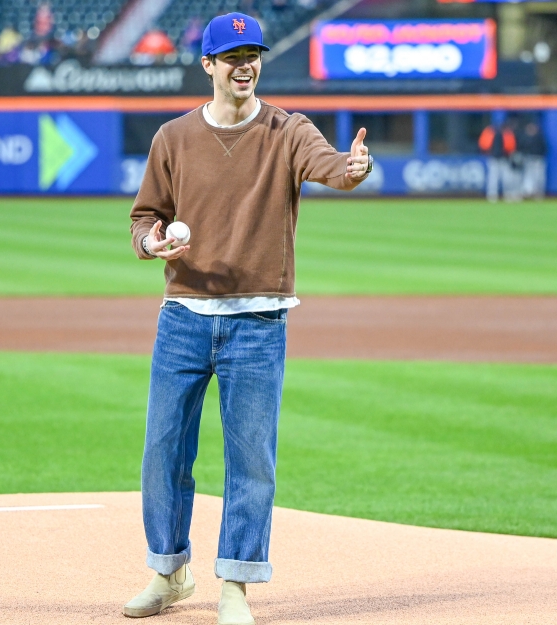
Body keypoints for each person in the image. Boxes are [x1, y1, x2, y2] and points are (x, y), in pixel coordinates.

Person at [125, 11, 372, 625]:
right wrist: (151, 243)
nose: (245, 65)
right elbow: (143, 218)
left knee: (250, 459)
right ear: (207, 65)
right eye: (232, 56)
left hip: (257, 321)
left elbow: (329, 166)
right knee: (162, 450)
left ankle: (235, 585)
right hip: (182, 316)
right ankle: (167, 570)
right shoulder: (172, 139)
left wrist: (352, 170)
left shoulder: (288, 130)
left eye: (253, 54)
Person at [478, 114, 516, 203]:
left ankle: (508, 195)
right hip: (494, 158)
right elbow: (483, 145)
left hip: (504, 159)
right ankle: (492, 196)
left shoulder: (507, 133)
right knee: (493, 178)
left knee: (506, 178)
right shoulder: (489, 132)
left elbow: (511, 147)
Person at [517, 117, 548, 201]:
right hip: (529, 159)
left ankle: (539, 194)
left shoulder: (539, 136)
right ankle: (527, 193)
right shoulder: (525, 137)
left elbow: (545, 148)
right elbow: (522, 147)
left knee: (539, 177)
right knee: (528, 177)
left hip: (538, 159)